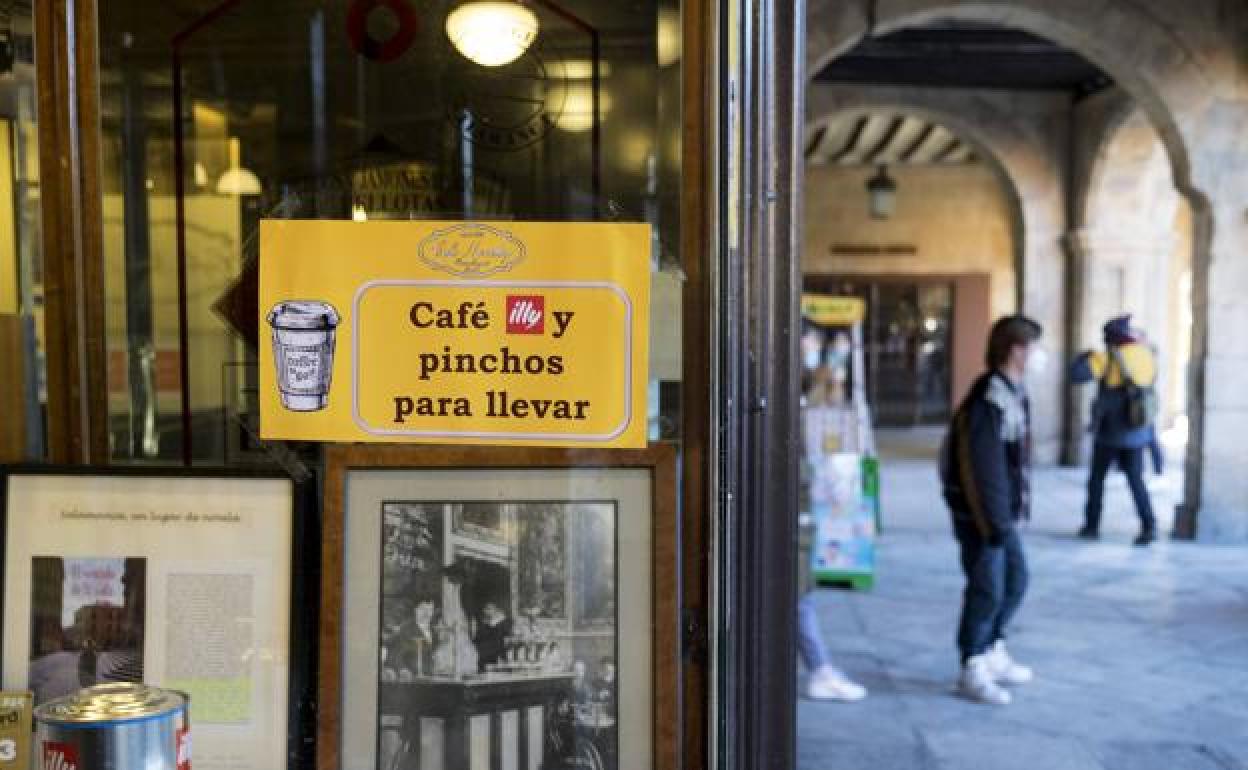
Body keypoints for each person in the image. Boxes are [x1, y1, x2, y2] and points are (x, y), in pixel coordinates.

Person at [939, 314, 1040, 706]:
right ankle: (972, 663)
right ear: (1015, 350)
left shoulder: (1012, 391)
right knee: (987, 587)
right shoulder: (988, 399)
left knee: (1016, 579)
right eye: (1034, 346)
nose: (1038, 355)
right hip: (982, 517)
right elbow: (984, 469)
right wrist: (995, 523)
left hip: (1000, 515)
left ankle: (993, 645)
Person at [1070, 314, 1159, 545]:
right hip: (1138, 429)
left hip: (1110, 432)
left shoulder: (1106, 358)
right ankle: (1148, 526)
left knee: (1097, 480)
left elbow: (1076, 376)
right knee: (1135, 480)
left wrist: (1084, 357)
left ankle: (1092, 526)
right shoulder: (1146, 354)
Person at [473, 600, 512, 671]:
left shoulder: (503, 622)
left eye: (489, 609)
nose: (486, 611)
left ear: (495, 610)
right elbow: (477, 638)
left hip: (499, 650)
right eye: (485, 609)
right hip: (485, 652)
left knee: (500, 669)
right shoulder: (483, 622)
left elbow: (506, 636)